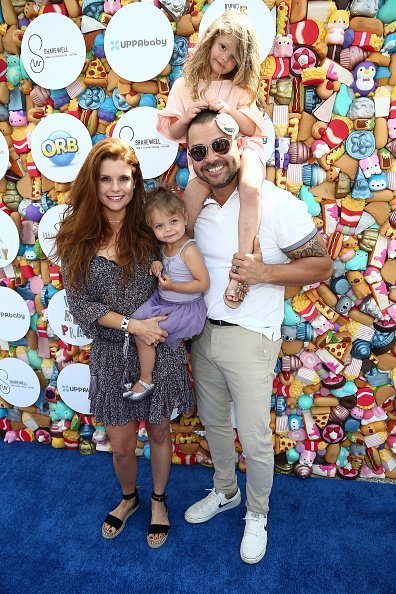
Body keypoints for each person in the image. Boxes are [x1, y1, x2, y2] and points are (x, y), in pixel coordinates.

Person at [183, 110, 333, 564]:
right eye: (198, 151)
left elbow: (322, 266)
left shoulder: (275, 201)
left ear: (238, 145)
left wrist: (265, 272)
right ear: (190, 158)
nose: (211, 158)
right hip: (203, 334)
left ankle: (256, 514)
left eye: (219, 145)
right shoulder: (194, 208)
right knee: (214, 424)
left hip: (252, 337)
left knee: (253, 436)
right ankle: (226, 491)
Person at [56, 138, 195, 548]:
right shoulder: (75, 237)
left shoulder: (151, 228)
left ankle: (157, 501)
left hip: (160, 347)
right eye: (105, 179)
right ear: (92, 183)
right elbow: (81, 304)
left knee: (159, 433)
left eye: (124, 178)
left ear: (136, 182)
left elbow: (183, 251)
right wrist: (134, 326)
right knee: (120, 447)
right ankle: (129, 498)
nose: (115, 188)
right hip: (112, 354)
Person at [157, 11, 265, 308]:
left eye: (234, 56)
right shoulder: (186, 85)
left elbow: (252, 129)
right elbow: (172, 131)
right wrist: (189, 117)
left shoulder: (240, 88)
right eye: (223, 47)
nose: (225, 59)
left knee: (251, 190)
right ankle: (181, 269)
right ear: (210, 42)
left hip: (243, 148)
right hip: (206, 159)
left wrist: (229, 111)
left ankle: (242, 266)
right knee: (188, 205)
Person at [124, 186, 209, 401]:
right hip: (165, 300)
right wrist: (157, 265)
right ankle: (143, 370)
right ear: (152, 229)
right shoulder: (164, 248)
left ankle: (146, 379)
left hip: (186, 309)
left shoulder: (189, 250)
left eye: (173, 222)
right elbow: (168, 269)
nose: (168, 230)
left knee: (143, 335)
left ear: (185, 218)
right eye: (160, 226)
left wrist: (173, 287)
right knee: (137, 322)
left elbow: (203, 284)